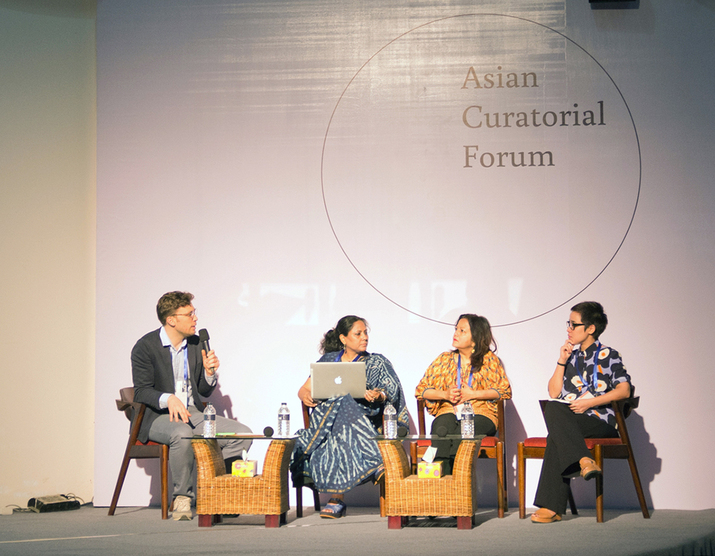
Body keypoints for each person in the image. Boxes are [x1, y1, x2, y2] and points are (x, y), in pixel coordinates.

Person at [131, 291, 253, 521]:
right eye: (189, 314)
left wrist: (209, 373)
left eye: (194, 312)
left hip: (192, 412)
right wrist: (168, 398)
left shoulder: (196, 345)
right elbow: (141, 390)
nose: (195, 318)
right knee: (182, 432)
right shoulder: (145, 347)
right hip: (157, 416)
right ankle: (183, 497)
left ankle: (216, 491)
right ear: (171, 320)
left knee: (242, 434)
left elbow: (203, 391)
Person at [293, 315, 409, 519]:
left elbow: (391, 390)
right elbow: (303, 389)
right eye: (358, 333)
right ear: (343, 339)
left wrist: (376, 395)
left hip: (362, 418)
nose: (364, 337)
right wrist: (306, 396)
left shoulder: (376, 362)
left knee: (344, 405)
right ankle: (376, 462)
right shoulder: (328, 360)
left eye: (366, 333)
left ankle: (337, 499)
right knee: (340, 403)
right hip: (326, 418)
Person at [530, 301, 632, 523]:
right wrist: (561, 360)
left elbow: (624, 390)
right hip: (573, 420)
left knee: (555, 427)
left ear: (590, 328)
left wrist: (591, 403)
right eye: (568, 323)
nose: (568, 328)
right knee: (555, 408)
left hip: (601, 421)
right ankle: (585, 460)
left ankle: (552, 507)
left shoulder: (609, 354)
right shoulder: (571, 357)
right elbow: (554, 391)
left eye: (573, 324)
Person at [415, 314, 511, 475]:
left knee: (462, 432)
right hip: (448, 411)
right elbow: (421, 390)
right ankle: (445, 487)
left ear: (475, 338)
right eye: (456, 329)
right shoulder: (444, 360)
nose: (456, 334)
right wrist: (445, 394)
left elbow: (503, 391)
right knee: (442, 429)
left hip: (481, 413)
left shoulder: (489, 360)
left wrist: (473, 394)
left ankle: (455, 484)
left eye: (462, 330)